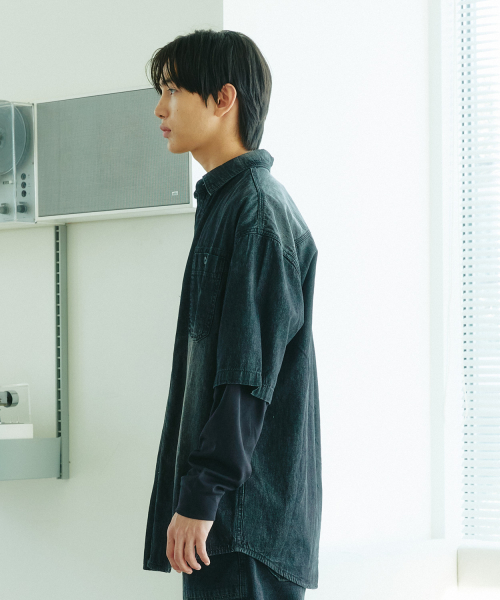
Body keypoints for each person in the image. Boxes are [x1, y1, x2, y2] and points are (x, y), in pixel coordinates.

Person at [143, 28, 322, 599]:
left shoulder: (256, 213)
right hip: (233, 521)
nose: (160, 109)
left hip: (243, 526)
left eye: (173, 90)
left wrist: (201, 498)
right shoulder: (230, 205)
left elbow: (246, 378)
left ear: (224, 99)